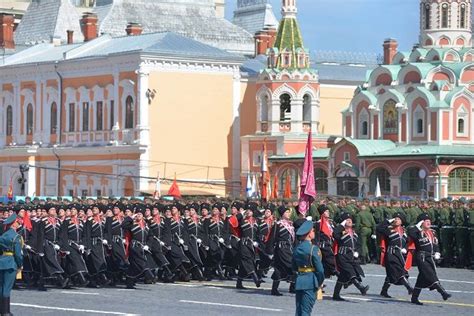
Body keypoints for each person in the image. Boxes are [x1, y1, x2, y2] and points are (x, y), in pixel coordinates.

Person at [408, 213, 451, 305]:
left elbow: (435, 244)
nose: (428, 222)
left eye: (429, 221)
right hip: (421, 256)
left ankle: (414, 297)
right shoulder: (417, 232)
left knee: (422, 277)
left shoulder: (433, 232)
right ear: (421, 223)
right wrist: (417, 226)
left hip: (430, 257)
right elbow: (410, 232)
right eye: (425, 221)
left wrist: (437, 252)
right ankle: (443, 292)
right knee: (430, 274)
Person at [332, 212, 369, 301]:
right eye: (347, 220)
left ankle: (336, 294)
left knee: (343, 275)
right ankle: (361, 288)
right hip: (343, 255)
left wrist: (358, 252)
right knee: (351, 272)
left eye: (350, 220)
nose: (349, 221)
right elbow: (334, 234)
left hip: (352, 257)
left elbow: (359, 244)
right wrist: (341, 226)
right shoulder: (340, 232)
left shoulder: (354, 232)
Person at [376, 212, 414, 298]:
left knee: (391, 273)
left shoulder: (404, 231)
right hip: (391, 254)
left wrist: (406, 248)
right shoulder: (388, 229)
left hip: (400, 255)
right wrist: (388, 221)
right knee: (399, 271)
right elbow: (378, 228)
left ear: (402, 221)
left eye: (398, 219)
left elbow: (408, 242)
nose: (396, 220)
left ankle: (384, 291)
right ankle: (409, 288)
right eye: (395, 218)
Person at [292, 220, 324, 316]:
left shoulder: (296, 249)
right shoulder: (313, 249)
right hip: (311, 281)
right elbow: (320, 270)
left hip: (299, 281)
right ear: (309, 234)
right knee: (306, 311)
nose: (314, 232)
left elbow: (293, 267)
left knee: (299, 311)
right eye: (313, 231)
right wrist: (319, 282)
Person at [0, 213, 23, 316]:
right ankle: (5, 312)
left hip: (1, 262)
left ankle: (2, 310)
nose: (18, 224)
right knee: (7, 288)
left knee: (1, 287)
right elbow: (18, 254)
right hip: (11, 263)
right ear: (14, 224)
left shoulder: (3, 236)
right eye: (17, 222)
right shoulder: (16, 237)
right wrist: (20, 264)